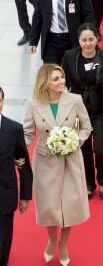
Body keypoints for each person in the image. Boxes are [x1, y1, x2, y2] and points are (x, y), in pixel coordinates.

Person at [23, 64, 92, 266]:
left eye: (62, 77)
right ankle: (52, 240)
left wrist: (75, 141)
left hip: (71, 160)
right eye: (56, 79)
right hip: (45, 161)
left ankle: (63, 244)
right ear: (45, 83)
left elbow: (85, 126)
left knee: (69, 206)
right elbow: (28, 134)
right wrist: (16, 155)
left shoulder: (75, 100)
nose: (61, 81)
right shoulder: (33, 103)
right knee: (49, 207)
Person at [62, 23, 103, 199]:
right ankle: (89, 183)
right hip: (79, 114)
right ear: (78, 40)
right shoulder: (70, 56)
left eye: (91, 39)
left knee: (101, 150)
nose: (88, 43)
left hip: (101, 112)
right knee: (83, 149)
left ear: (97, 38)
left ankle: (102, 178)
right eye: (84, 40)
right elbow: (63, 84)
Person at [29, 0, 95, 65]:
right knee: (51, 75)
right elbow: (37, 17)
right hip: (51, 41)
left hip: (74, 39)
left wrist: (88, 36)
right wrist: (33, 41)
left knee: (74, 74)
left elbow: (88, 14)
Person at [0, 87, 33, 266]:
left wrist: (25, 196)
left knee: (3, 238)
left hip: (5, 192)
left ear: (2, 103)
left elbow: (24, 165)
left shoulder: (14, 129)